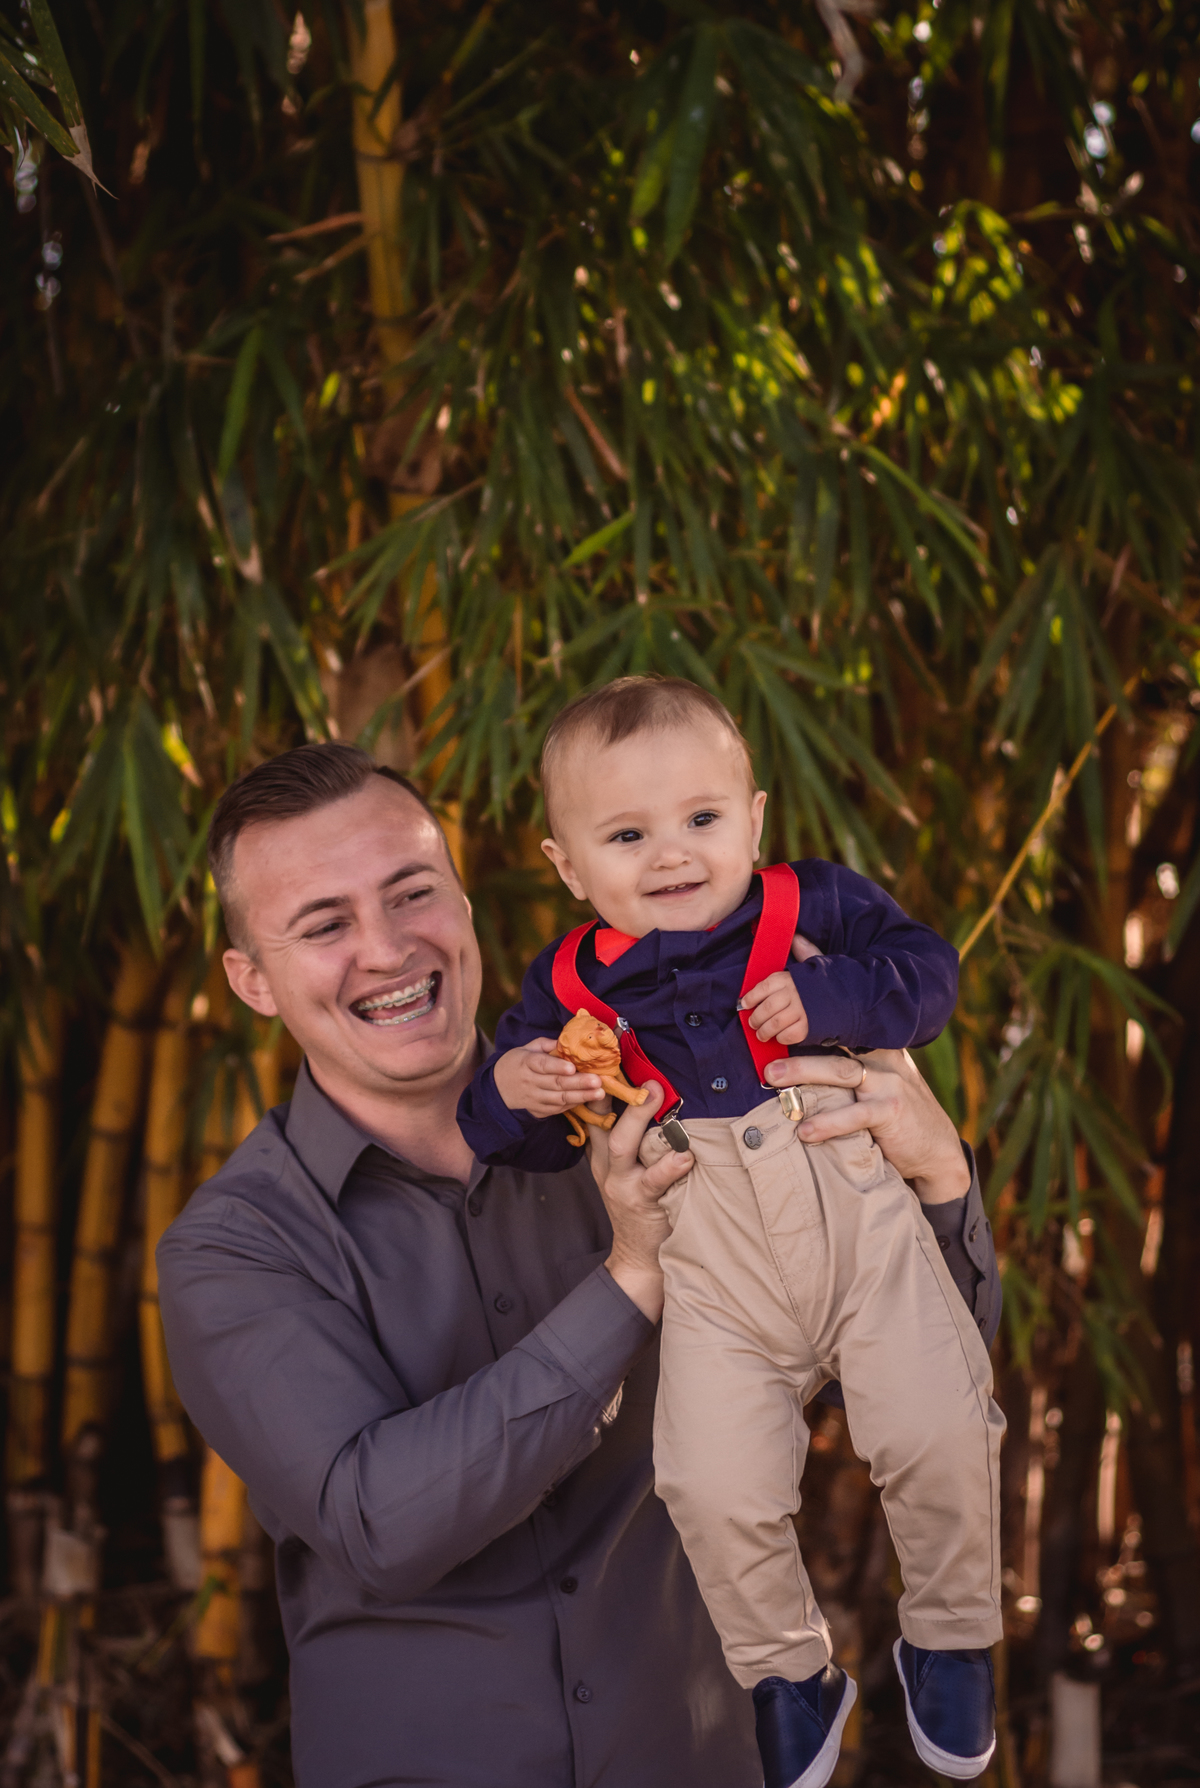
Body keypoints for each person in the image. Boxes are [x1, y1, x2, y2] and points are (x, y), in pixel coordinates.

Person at [157, 741, 1000, 1788]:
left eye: (412, 893)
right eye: (324, 925)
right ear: (252, 980)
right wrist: (630, 1280)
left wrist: (936, 1180)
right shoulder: (234, 1248)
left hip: (698, 1759)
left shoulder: (659, 1101)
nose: (385, 948)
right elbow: (380, 1524)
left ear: (464, 902)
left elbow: (904, 1370)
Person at [458, 679, 1005, 1788]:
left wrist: (837, 1000)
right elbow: (515, 1139)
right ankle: (788, 1674)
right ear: (568, 867)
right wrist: (516, 1087)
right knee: (707, 1482)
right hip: (712, 1272)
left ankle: (949, 1635)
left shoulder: (812, 905)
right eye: (626, 835)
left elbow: (928, 975)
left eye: (701, 818)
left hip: (858, 1228)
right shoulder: (566, 987)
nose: (671, 853)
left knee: (939, 1425)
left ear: (754, 818)